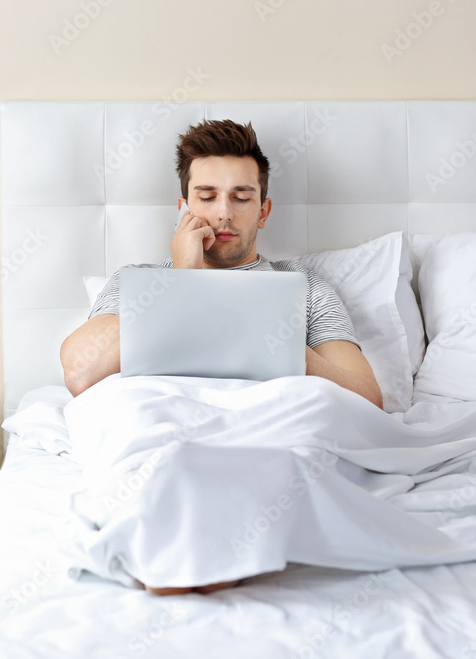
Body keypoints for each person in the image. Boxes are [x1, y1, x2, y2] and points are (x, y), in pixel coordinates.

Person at [59, 119, 382, 594]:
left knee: (273, 455)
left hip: (270, 426)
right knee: (157, 445)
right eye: (207, 196)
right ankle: (209, 533)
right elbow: (81, 371)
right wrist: (182, 280)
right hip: (162, 423)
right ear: (183, 207)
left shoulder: (306, 289)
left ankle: (207, 536)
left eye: (241, 196)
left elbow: (367, 399)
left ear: (264, 209)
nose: (223, 214)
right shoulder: (138, 282)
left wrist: (273, 343)